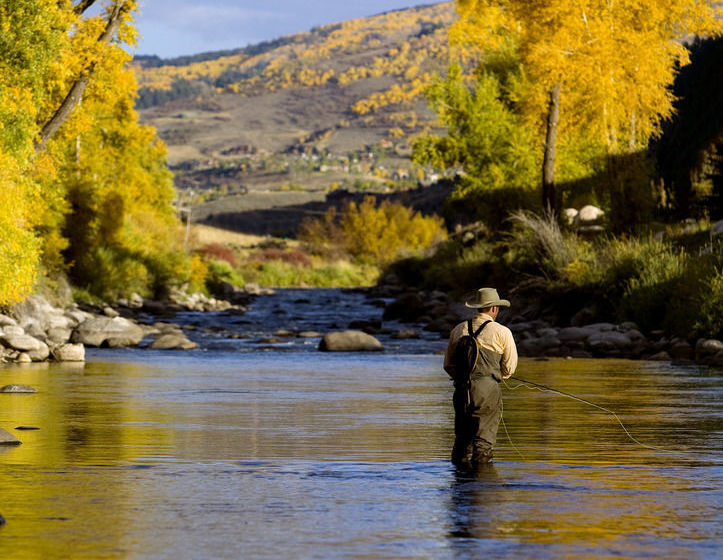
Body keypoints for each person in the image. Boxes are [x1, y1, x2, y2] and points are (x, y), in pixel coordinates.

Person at [443, 287, 518, 468]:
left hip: (461, 391)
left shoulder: (458, 329)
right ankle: (481, 487)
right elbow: (509, 368)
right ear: (493, 309)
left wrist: (463, 379)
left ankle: (460, 488)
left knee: (461, 441)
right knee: (483, 442)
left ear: (478, 307)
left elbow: (448, 366)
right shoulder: (502, 332)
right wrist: (496, 376)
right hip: (487, 393)